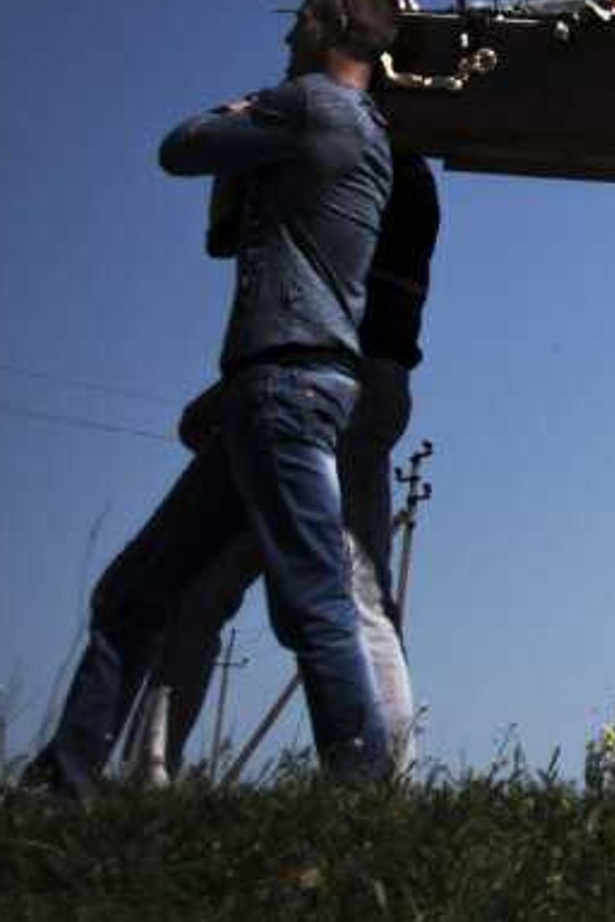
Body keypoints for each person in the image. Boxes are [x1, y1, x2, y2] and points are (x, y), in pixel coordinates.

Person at [29, 0, 403, 792]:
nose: (286, 32)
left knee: (313, 599)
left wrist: (242, 109)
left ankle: (364, 788)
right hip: (278, 385)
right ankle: (65, 775)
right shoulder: (365, 125)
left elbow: (179, 146)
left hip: (284, 384)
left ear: (326, 23)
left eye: (299, 16)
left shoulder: (307, 106)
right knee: (138, 589)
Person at [132, 146, 438, 782]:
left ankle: (379, 782)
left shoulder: (364, 165)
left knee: (340, 591)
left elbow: (338, 303)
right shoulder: (390, 169)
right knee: (231, 587)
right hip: (329, 382)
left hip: (323, 383)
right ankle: (152, 769)